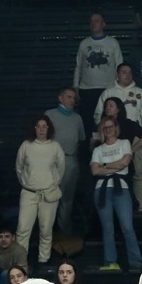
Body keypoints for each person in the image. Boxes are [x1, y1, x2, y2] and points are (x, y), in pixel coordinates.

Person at [91, 117, 142, 273]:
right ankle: (110, 262)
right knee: (108, 229)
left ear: (115, 128)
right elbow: (95, 171)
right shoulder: (98, 149)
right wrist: (115, 167)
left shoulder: (124, 143)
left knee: (127, 226)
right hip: (102, 188)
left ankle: (136, 261)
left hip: (121, 187)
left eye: (110, 126)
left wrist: (105, 165)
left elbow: (125, 163)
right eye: (105, 127)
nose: (108, 129)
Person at [14, 116, 65, 265]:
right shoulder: (26, 145)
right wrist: (27, 183)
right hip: (29, 193)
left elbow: (61, 169)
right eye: (38, 126)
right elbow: (19, 167)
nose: (42, 129)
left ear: (49, 129)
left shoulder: (55, 146)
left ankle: (44, 260)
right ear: (34, 129)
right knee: (23, 229)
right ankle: (21, 263)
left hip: (49, 193)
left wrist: (51, 184)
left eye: (45, 126)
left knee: (46, 230)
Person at [45, 88, 86, 235]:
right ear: (60, 98)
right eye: (69, 97)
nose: (72, 100)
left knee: (67, 200)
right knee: (49, 198)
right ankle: (47, 232)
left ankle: (64, 234)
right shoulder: (49, 115)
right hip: (52, 161)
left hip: (70, 160)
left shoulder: (77, 118)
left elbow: (81, 138)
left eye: (74, 98)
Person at [74, 12, 124, 125]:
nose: (93, 23)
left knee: (107, 120)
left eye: (96, 20)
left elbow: (119, 65)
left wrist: (119, 86)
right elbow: (78, 66)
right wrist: (76, 86)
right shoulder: (84, 43)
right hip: (86, 89)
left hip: (108, 87)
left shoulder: (113, 43)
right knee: (87, 122)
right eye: (91, 21)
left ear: (103, 24)